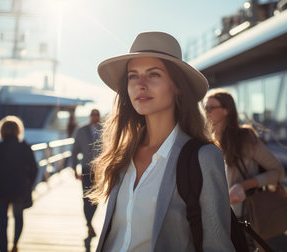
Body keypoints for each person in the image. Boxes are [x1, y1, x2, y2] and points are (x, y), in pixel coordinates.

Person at [89, 31, 235, 252]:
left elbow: (218, 245)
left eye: (154, 74)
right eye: (132, 76)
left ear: (177, 86)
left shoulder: (203, 157)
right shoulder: (122, 155)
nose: (141, 84)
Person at [204, 89, 285, 248]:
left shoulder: (246, 138)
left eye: (210, 107)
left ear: (226, 110)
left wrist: (243, 186)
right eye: (205, 108)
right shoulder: (207, 140)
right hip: (217, 217)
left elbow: (278, 171)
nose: (206, 112)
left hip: (244, 217)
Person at [0, 115, 38, 252]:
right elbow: (34, 169)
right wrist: (29, 184)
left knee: (2, 223)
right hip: (20, 189)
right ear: (18, 130)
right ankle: (15, 244)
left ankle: (3, 250)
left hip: (0, 190)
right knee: (18, 217)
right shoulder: (25, 147)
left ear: (2, 131)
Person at [70, 108, 102, 238]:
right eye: (93, 114)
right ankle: (89, 224)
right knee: (86, 197)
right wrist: (74, 169)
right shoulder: (81, 130)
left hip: (100, 170)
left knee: (96, 197)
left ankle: (90, 221)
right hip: (85, 168)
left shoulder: (105, 130)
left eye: (97, 114)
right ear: (90, 116)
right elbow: (75, 151)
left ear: (99, 116)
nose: (95, 116)